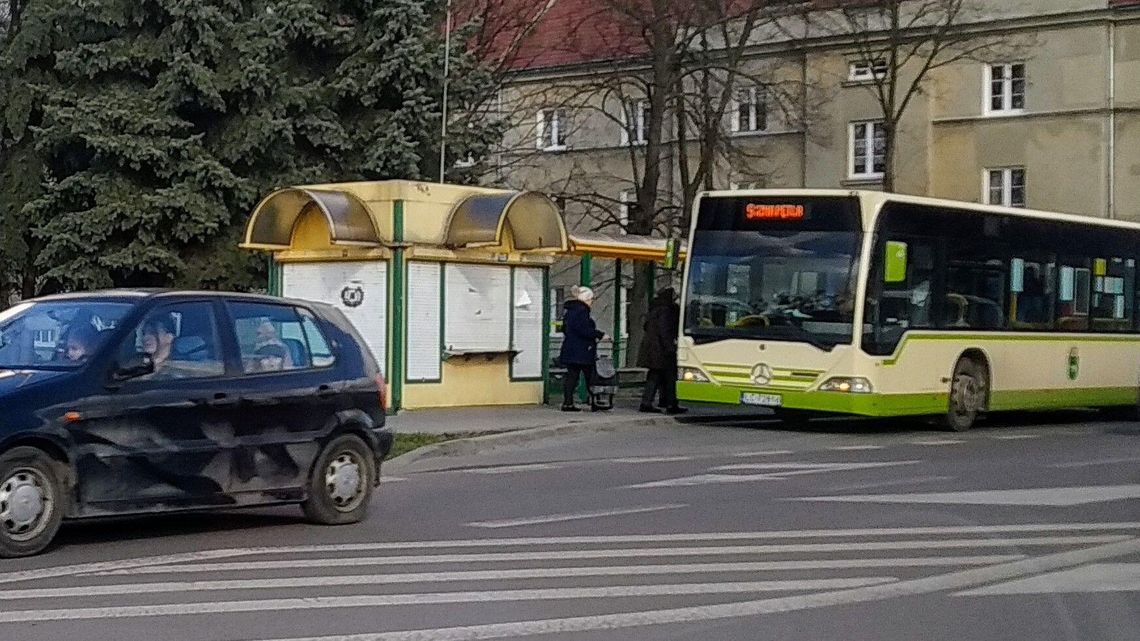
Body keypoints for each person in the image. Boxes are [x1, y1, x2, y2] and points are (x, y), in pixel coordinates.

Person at [638, 287, 687, 414]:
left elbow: (647, 326)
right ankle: (669, 403)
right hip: (661, 349)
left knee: (655, 375)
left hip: (652, 349)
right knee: (669, 376)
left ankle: (651, 401)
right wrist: (670, 347)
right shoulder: (667, 310)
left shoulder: (655, 309)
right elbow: (665, 330)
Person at [558, 286, 604, 412]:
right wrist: (599, 334)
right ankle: (596, 401)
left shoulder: (570, 311)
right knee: (590, 376)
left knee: (572, 377)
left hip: (570, 349)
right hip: (583, 350)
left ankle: (568, 403)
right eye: (591, 299)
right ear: (586, 300)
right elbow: (584, 330)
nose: (592, 302)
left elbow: (566, 329)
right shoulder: (582, 311)